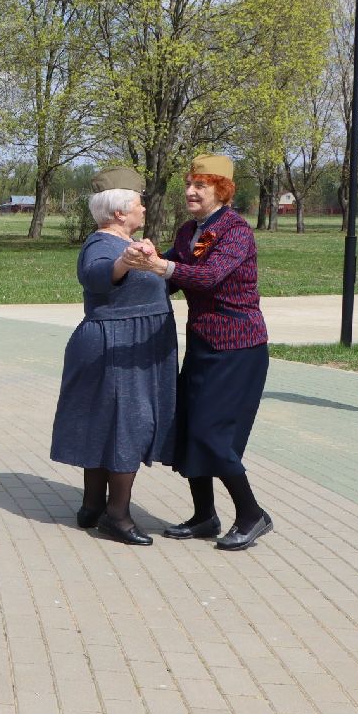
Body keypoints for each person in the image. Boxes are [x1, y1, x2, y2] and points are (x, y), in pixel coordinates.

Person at [124, 154, 274, 551]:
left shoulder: (236, 230)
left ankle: (252, 515)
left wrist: (161, 268)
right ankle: (205, 515)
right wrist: (138, 264)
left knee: (212, 433)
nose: (190, 191)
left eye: (201, 186)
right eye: (189, 184)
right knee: (190, 427)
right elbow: (174, 273)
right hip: (204, 343)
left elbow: (208, 277)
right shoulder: (192, 229)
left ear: (221, 190)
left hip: (239, 347)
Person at [48, 167, 177, 546]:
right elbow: (96, 275)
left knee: (106, 423)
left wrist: (154, 263)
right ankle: (117, 516)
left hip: (124, 343)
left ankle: (92, 506)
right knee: (127, 425)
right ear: (120, 212)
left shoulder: (128, 242)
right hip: (116, 346)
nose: (144, 209)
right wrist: (125, 263)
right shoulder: (103, 244)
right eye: (140, 204)